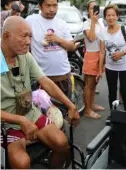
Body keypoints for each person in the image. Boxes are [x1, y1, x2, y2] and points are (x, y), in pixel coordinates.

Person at [1, 16, 79, 169]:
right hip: (5, 123)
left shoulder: (26, 56)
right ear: (6, 37)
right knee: (22, 163)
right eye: (24, 36)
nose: (29, 42)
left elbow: (46, 82)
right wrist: (21, 121)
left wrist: (70, 105)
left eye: (30, 36)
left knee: (62, 144)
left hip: (29, 113)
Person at [26, 0, 76, 100]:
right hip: (41, 77)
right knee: (43, 114)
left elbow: (72, 46)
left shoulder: (61, 23)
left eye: (55, 5)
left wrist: (58, 39)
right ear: (40, 6)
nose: (52, 9)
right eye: (48, 6)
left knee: (64, 111)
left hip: (62, 75)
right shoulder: (30, 21)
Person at [99, 4, 126, 112]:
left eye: (113, 15)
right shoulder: (103, 32)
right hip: (110, 67)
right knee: (112, 92)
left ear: (117, 16)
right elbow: (101, 52)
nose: (110, 18)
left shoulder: (124, 29)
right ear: (105, 17)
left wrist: (122, 53)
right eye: (108, 15)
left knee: (124, 91)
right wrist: (100, 68)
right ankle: (114, 114)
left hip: (125, 67)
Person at [82, 0, 105, 119]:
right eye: (91, 8)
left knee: (95, 83)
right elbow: (91, 38)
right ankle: (87, 109)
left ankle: (91, 104)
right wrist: (92, 21)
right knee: (89, 84)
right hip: (91, 55)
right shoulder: (86, 23)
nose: (94, 10)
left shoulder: (100, 22)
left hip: (99, 54)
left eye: (95, 7)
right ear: (88, 10)